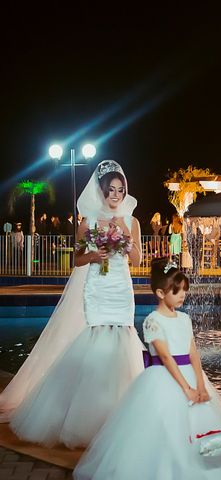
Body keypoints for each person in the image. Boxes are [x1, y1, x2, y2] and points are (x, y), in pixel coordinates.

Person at [74, 258, 221, 480]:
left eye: (184, 290)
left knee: (203, 428)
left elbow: (193, 352)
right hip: (165, 379)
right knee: (166, 430)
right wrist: (186, 389)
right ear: (160, 293)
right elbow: (165, 357)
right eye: (176, 291)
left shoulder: (184, 319)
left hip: (192, 376)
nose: (182, 295)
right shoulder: (153, 321)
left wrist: (201, 384)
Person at [4, 160, 144, 448]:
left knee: (124, 339)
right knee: (96, 340)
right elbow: (78, 259)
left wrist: (124, 235)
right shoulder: (88, 221)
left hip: (121, 288)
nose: (116, 195)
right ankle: (86, 417)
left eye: (121, 190)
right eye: (111, 190)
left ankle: (121, 413)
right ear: (102, 191)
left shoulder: (132, 221)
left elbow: (138, 260)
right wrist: (96, 255)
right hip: (97, 286)